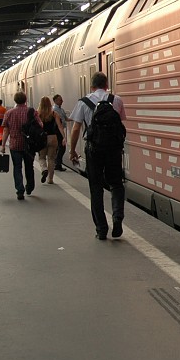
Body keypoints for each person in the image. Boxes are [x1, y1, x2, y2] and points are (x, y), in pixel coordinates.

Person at [69, 72, 127, 240]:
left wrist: (72, 151)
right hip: (114, 149)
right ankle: (117, 217)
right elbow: (121, 123)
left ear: (91, 86)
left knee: (96, 189)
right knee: (116, 184)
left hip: (93, 149)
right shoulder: (116, 100)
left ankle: (101, 229)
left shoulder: (83, 102)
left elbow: (76, 129)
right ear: (106, 85)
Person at [0, 92, 41, 200]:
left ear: (15, 100)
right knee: (29, 167)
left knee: (17, 168)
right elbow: (41, 125)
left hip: (15, 145)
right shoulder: (32, 112)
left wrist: (3, 145)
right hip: (29, 145)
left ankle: (20, 190)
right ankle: (30, 187)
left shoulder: (9, 113)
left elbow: (5, 130)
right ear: (25, 100)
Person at [36, 96, 65, 184]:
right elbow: (60, 126)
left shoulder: (37, 114)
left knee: (41, 157)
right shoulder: (54, 113)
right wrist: (64, 137)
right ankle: (50, 179)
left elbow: (36, 127)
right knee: (51, 159)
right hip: (53, 137)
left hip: (42, 138)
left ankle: (44, 169)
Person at [52, 94, 69, 171]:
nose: (62, 101)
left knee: (60, 147)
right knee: (62, 147)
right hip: (57, 131)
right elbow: (58, 123)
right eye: (60, 100)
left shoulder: (61, 110)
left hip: (60, 130)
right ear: (55, 101)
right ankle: (58, 164)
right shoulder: (54, 110)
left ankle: (57, 163)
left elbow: (66, 118)